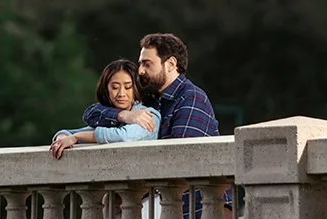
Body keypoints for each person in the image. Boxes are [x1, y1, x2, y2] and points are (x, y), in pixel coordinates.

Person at [83, 33, 219, 141]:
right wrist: (123, 115)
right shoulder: (149, 97)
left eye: (147, 64)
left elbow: (181, 157)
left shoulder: (191, 98)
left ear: (171, 64)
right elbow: (91, 114)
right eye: (140, 64)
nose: (140, 71)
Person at [50, 58, 160, 159]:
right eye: (115, 87)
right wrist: (62, 138)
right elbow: (79, 132)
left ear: (136, 88)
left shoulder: (149, 115)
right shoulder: (111, 118)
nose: (121, 93)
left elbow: (123, 136)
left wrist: (77, 137)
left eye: (127, 87)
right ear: (106, 90)